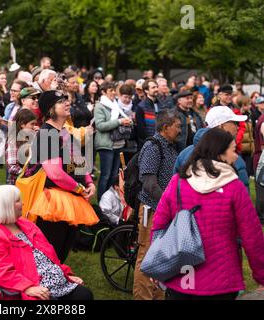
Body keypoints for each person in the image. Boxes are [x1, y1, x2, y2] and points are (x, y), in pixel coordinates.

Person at [153, 128, 264, 300]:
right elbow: (252, 235)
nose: (237, 156)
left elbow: (159, 224)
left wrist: (158, 260)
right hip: (222, 279)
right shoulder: (234, 187)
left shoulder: (179, 182)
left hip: (181, 275)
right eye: (233, 150)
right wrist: (261, 274)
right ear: (220, 154)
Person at [0, 185, 94, 300]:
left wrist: (65, 274)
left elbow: (48, 256)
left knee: (84, 295)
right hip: (23, 288)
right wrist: (27, 287)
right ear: (4, 206)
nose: (23, 203)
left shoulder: (25, 224)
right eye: (17, 201)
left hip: (51, 283)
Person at [25, 90, 99, 263]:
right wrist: (80, 188)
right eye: (60, 101)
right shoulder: (46, 134)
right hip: (54, 203)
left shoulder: (64, 132)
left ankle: (58, 284)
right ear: (50, 110)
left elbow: (79, 161)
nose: (67, 103)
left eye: (66, 99)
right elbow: (55, 173)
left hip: (71, 199)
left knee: (62, 252)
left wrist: (89, 182)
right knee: (50, 253)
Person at [133, 109, 181, 300]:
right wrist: (169, 204)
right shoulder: (153, 147)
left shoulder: (170, 146)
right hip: (151, 209)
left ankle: (158, 295)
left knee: (161, 255)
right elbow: (149, 184)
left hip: (164, 210)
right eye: (177, 126)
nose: (180, 130)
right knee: (146, 256)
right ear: (165, 127)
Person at [94, 81, 133, 200]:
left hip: (118, 144)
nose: (113, 93)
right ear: (103, 92)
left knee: (113, 176)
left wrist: (127, 121)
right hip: (106, 144)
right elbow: (100, 126)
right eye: (110, 90)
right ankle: (101, 201)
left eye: (113, 90)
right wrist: (119, 122)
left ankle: (109, 200)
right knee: (105, 175)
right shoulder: (100, 106)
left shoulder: (115, 105)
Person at [6, 108, 38, 185]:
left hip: (31, 182)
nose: (34, 126)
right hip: (18, 184)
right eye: (32, 124)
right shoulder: (13, 141)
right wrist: (29, 173)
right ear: (22, 124)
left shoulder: (32, 137)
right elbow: (12, 167)